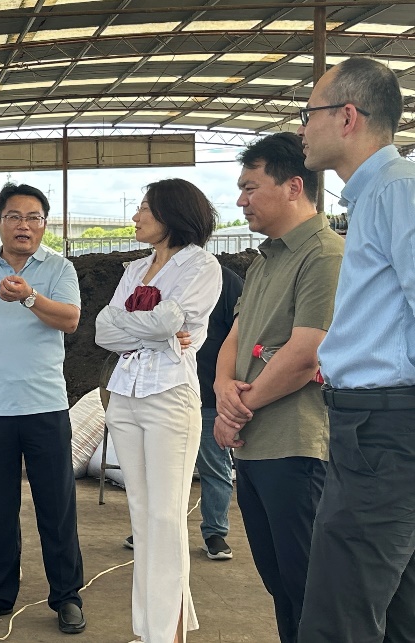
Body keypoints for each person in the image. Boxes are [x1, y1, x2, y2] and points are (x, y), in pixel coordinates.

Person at [295, 57, 415, 642]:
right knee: (396, 611)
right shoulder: (377, 195)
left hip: (385, 429)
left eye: (308, 113)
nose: (301, 128)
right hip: (375, 427)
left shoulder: (398, 191)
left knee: (337, 618)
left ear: (347, 117)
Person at [212, 132, 343, 643]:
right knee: (280, 585)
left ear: (293, 186)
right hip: (255, 446)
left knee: (309, 587)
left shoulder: (325, 255)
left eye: (250, 187)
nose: (241, 200)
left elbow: (306, 354)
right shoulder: (266, 258)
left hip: (296, 446)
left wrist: (236, 409)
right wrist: (222, 386)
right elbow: (236, 335)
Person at [0, 183, 87, 634]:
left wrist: (29, 297)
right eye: (14, 216)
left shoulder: (60, 268)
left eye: (33, 217)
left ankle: (66, 596)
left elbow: (70, 320)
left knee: (56, 506)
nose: (23, 225)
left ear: (44, 225)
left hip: (45, 406)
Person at [96, 178, 222, 643]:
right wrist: (157, 331)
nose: (136, 217)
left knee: (166, 518)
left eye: (144, 209)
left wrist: (145, 326)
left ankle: (165, 634)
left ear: (171, 213)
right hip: (125, 394)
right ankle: (152, 629)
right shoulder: (134, 268)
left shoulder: (201, 265)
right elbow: (102, 330)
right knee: (142, 514)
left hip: (170, 395)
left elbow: (170, 320)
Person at [124, 266, 243, 561]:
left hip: (208, 391)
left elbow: (241, 334)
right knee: (157, 467)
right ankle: (151, 530)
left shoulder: (225, 281)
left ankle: (215, 532)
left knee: (214, 466)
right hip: (163, 390)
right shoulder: (156, 277)